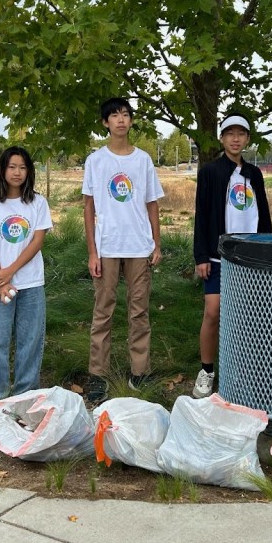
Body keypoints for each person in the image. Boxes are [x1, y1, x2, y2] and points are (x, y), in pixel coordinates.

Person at [82, 97, 164, 403]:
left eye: (125, 115)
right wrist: (92, 252)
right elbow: (88, 207)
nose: (120, 120)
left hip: (138, 245)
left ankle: (139, 372)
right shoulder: (96, 161)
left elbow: (152, 203)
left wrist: (156, 243)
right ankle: (98, 375)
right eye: (114, 115)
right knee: (103, 310)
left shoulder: (142, 160)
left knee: (139, 310)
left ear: (130, 122)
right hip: (107, 246)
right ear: (105, 123)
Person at [191, 113, 272, 398]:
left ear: (247, 139)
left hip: (249, 257)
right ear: (222, 138)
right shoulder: (211, 172)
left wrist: (267, 252)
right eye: (230, 134)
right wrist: (201, 255)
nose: (236, 139)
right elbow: (202, 215)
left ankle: (243, 369)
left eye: (241, 134)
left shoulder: (255, 174)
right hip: (217, 256)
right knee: (213, 312)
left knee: (248, 316)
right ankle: (207, 369)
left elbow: (262, 215)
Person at [0, 147, 52, 402]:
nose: (17, 172)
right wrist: (0, 278)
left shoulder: (38, 203)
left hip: (30, 283)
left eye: (22, 167)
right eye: (12, 167)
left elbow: (37, 241)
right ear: (2, 170)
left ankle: (25, 394)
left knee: (30, 341)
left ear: (29, 172)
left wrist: (10, 272)